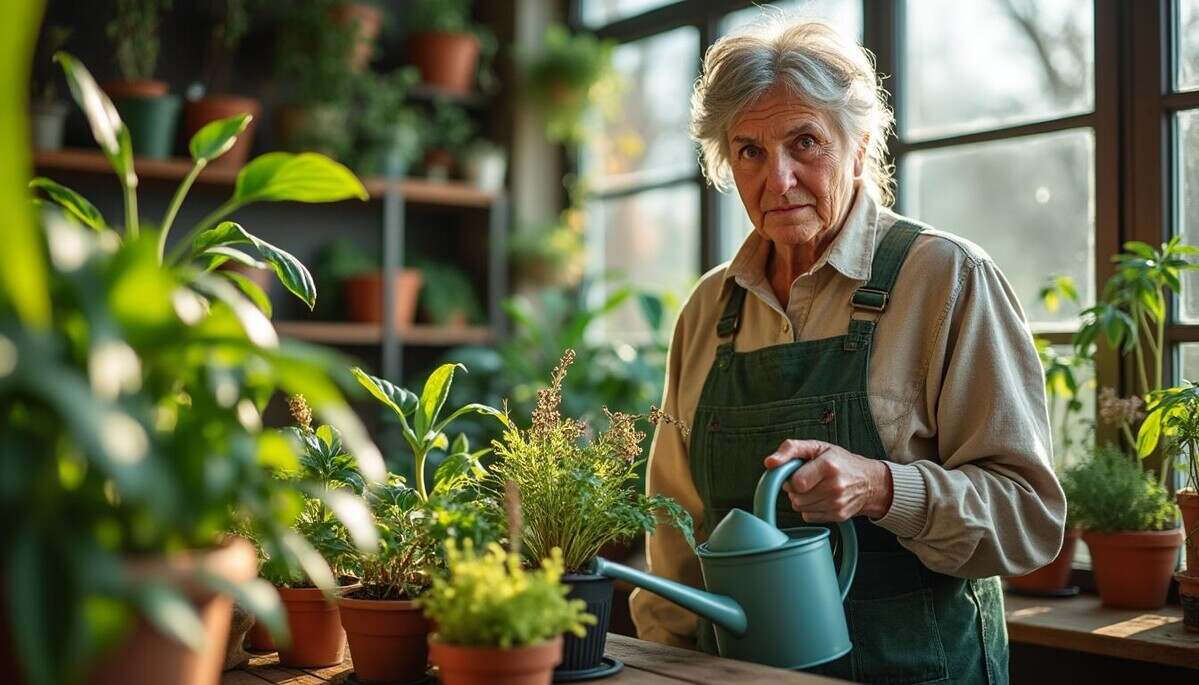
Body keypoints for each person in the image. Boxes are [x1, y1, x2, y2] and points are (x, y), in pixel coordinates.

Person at [630, 20, 1066, 684]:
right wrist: (667, 666)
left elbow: (1027, 517)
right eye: (749, 151)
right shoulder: (709, 310)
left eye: (804, 142)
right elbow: (674, 532)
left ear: (860, 147)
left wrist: (882, 487)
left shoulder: (945, 278)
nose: (778, 179)